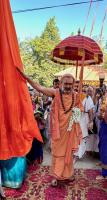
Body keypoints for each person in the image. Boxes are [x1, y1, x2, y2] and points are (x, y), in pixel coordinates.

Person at [17, 68, 83, 186]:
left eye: (70, 84)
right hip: (58, 131)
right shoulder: (55, 93)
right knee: (58, 154)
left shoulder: (76, 96)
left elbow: (80, 111)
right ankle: (57, 176)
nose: (68, 86)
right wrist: (26, 77)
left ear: (73, 84)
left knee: (68, 153)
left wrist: (77, 111)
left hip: (70, 130)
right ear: (61, 83)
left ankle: (67, 175)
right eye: (65, 83)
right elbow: (39, 88)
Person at [96, 94, 107, 180]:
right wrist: (101, 115)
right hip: (103, 128)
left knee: (104, 151)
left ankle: (104, 174)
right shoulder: (104, 104)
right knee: (102, 148)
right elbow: (100, 117)